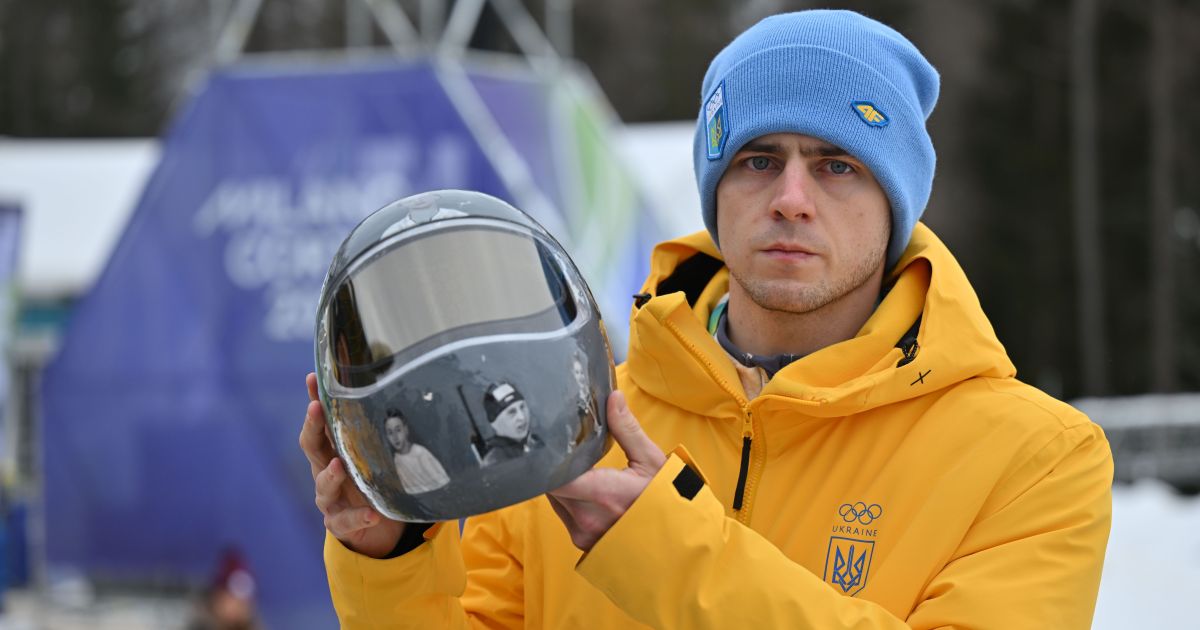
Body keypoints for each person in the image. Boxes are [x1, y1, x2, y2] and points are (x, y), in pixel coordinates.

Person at [299, 10, 1113, 628]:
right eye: (759, 161)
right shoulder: (568, 423)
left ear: (896, 203)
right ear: (716, 188)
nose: (791, 200)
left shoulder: (1036, 458)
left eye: (838, 166)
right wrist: (391, 554)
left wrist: (667, 550)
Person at [383, 411, 450, 494]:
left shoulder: (420, 453)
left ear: (406, 430)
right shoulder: (396, 460)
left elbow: (443, 483)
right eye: (390, 433)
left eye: (398, 430)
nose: (395, 437)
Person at [477, 382, 540, 466]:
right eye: (511, 412)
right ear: (495, 423)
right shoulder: (494, 460)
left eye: (522, 407)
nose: (522, 417)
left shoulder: (536, 442)